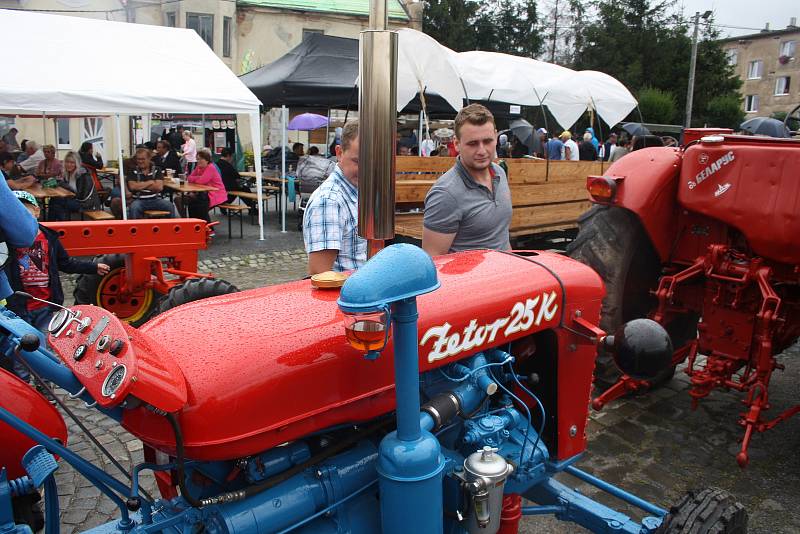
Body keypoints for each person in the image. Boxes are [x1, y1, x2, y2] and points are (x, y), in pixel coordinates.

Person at [5, 190, 109, 333]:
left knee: (45, 344)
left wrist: (92, 267)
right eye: (15, 212)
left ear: (36, 211)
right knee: (24, 345)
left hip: (45, 305)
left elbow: (65, 263)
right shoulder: (7, 241)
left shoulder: (49, 238)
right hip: (18, 307)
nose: (20, 216)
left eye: (24, 210)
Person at [422, 104, 512, 256]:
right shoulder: (446, 194)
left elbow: (501, 238)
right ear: (457, 144)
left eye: (488, 141)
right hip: (471, 278)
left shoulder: (499, 173)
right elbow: (433, 262)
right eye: (473, 143)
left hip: (505, 274)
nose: (482, 151)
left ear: (496, 137)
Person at [303, 121, 365, 274]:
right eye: (357, 161)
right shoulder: (329, 202)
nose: (366, 168)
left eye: (372, 161)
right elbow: (320, 275)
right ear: (339, 153)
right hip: (347, 296)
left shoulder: (358, 190)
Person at [126, 147, 176, 219]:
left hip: (155, 199)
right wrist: (150, 182)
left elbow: (159, 187)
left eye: (143, 159)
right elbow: (133, 186)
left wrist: (140, 185)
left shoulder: (157, 170)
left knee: (170, 206)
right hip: (139, 200)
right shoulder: (133, 171)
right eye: (138, 159)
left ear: (149, 159)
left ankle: (170, 228)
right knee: (134, 207)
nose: (140, 161)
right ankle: (136, 228)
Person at [49, 151, 101, 220]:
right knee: (54, 200)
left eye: (72, 163)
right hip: (75, 200)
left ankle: (61, 225)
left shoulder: (83, 175)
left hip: (87, 204)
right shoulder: (68, 174)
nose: (69, 165)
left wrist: (64, 186)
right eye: (67, 162)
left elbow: (81, 196)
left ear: (77, 164)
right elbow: (67, 190)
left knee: (59, 203)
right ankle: (54, 224)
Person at [184, 149, 226, 222]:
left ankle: (208, 229)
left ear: (207, 160)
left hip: (216, 193)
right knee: (191, 204)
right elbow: (189, 178)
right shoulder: (198, 167)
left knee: (200, 206)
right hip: (204, 193)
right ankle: (194, 225)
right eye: (197, 159)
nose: (198, 161)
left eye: (201, 159)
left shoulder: (211, 167)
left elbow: (201, 181)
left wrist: (197, 178)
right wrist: (199, 178)